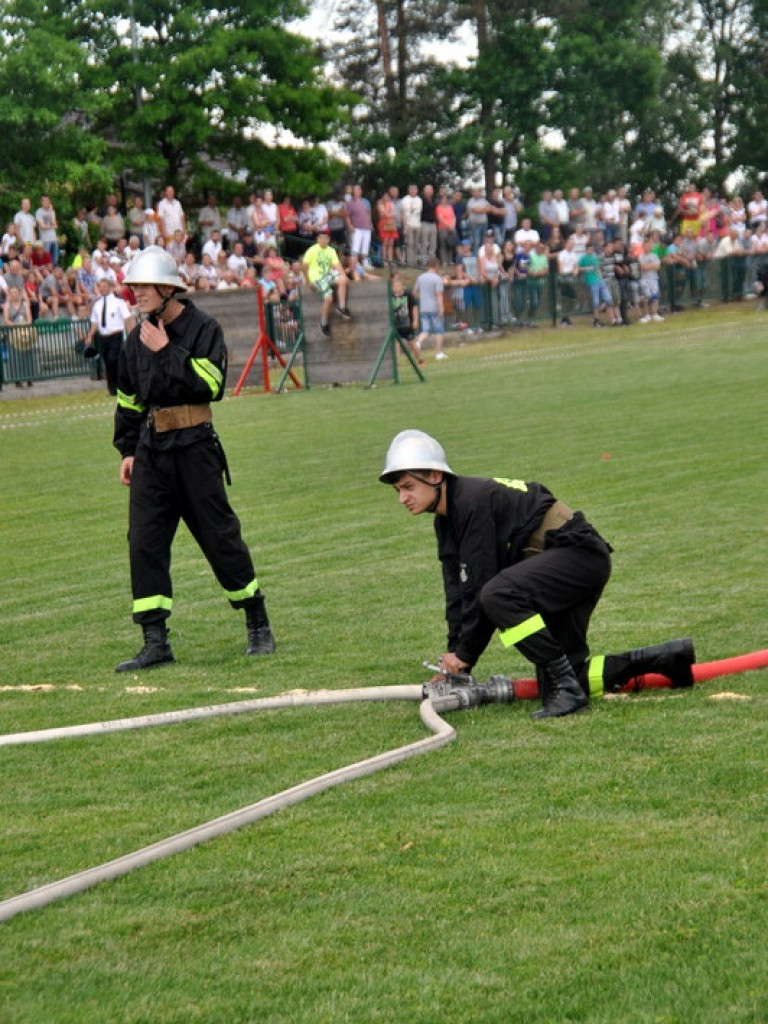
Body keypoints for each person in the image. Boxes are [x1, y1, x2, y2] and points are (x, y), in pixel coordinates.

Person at [378, 429, 695, 718]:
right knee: (557, 679)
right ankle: (663, 659)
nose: (402, 498)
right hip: (563, 565)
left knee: (498, 595)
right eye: (397, 491)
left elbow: (480, 588)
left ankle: (568, 691)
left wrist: (465, 654)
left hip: (578, 558)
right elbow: (456, 591)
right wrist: (455, 660)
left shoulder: (471, 502)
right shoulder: (446, 520)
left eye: (408, 487)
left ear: (435, 475)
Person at [113, 245, 276, 672]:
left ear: (168, 289)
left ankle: (256, 619)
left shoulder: (204, 328)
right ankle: (154, 640)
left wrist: (167, 350)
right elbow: (128, 399)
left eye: (142, 286)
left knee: (219, 537)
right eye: (132, 287)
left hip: (195, 449)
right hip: (151, 452)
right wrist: (129, 450)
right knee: (143, 541)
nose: (135, 294)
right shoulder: (135, 339)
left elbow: (211, 384)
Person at [300, 229, 351, 337]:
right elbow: (304, 267)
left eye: (325, 238)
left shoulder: (331, 250)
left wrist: (344, 275)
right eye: (321, 238)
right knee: (329, 298)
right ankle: (324, 322)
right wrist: (308, 281)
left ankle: (341, 307)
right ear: (318, 239)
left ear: (329, 239)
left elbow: (337, 265)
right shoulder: (312, 250)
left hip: (327, 276)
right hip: (316, 278)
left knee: (342, 280)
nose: (323, 240)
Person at [88, 278, 135, 395]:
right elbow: (95, 322)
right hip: (103, 337)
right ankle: (112, 388)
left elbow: (127, 318)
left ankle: (121, 386)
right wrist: (90, 336)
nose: (103, 288)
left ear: (109, 287)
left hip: (115, 335)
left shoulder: (118, 302)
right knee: (108, 363)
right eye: (101, 286)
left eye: (105, 286)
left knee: (114, 359)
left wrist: (130, 335)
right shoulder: (97, 305)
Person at [412, 256, 447, 360]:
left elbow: (415, 292)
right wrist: (441, 308)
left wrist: (422, 298)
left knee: (426, 330)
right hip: (434, 307)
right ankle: (438, 352)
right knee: (438, 331)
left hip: (423, 307)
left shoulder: (420, 277)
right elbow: (439, 295)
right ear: (436, 266)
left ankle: (418, 342)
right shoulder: (437, 278)